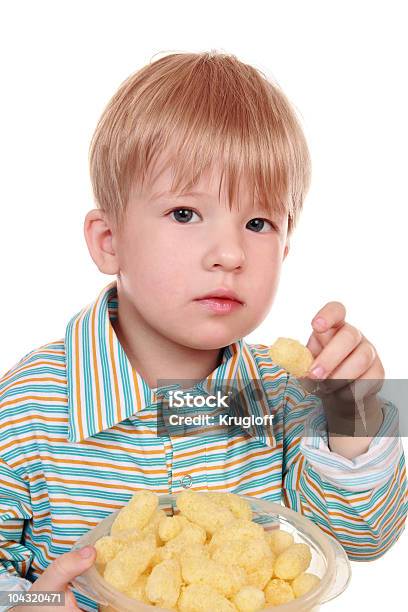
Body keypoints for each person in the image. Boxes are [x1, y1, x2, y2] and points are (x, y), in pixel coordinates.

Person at [0, 51, 406, 612]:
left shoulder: (287, 398)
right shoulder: (28, 405)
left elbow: (362, 540)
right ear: (108, 240)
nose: (229, 253)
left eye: (258, 223)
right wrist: (30, 604)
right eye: (186, 213)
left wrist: (352, 421)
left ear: (286, 247)